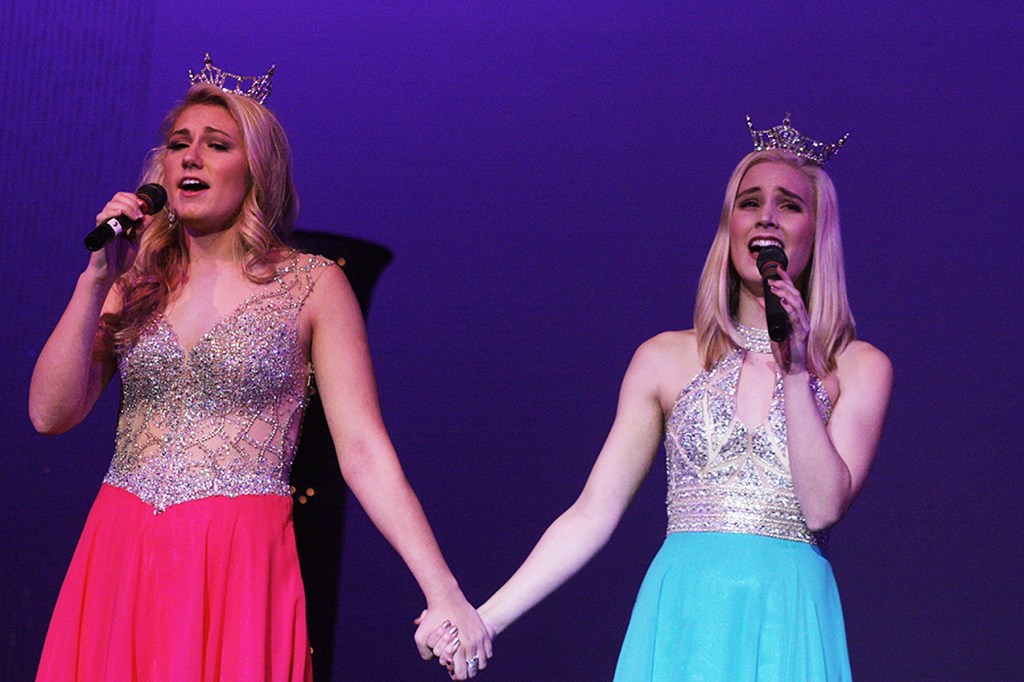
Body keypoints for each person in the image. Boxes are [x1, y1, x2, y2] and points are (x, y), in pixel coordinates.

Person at [29, 55, 490, 681]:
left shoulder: (311, 285)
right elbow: (50, 414)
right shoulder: (136, 280)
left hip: (236, 558)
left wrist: (442, 587)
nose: (190, 157)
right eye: (178, 144)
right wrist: (94, 280)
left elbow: (362, 449)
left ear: (255, 172)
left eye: (216, 145)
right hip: (122, 546)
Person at [427, 115, 892, 680]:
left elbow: (821, 507)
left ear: (816, 231)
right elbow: (592, 512)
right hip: (685, 618)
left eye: (789, 205)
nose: (766, 216)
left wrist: (794, 368)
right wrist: (485, 619)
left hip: (788, 616)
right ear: (729, 225)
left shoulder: (859, 367)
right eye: (750, 202)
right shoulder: (664, 359)